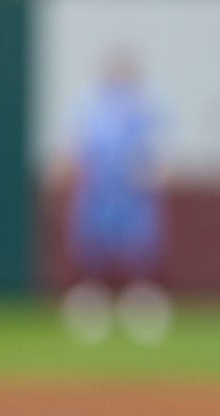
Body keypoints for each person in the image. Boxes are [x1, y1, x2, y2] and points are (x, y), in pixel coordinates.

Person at [57, 48, 172, 346]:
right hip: (97, 196)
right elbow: (76, 155)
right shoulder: (91, 108)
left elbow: (158, 156)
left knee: (140, 257)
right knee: (92, 259)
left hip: (134, 199)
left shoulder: (144, 108)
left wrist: (150, 174)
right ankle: (90, 315)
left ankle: (141, 315)